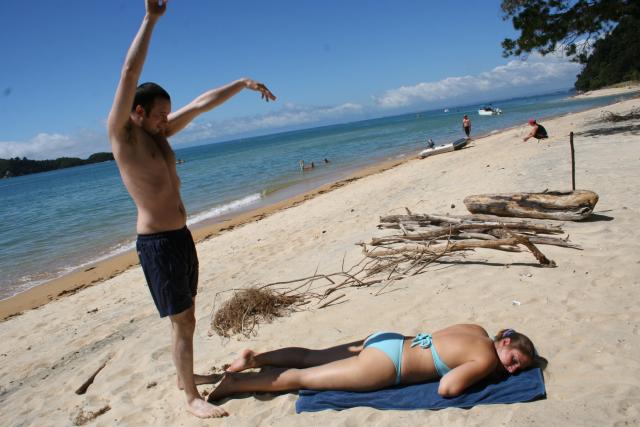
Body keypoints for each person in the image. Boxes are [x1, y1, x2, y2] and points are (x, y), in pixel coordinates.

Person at [107, 0, 276, 419]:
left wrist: (242, 83)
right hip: (157, 244)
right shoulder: (124, 137)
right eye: (161, 114)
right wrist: (150, 20)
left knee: (188, 318)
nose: (168, 120)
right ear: (139, 112)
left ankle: (185, 377)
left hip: (180, 237)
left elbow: (201, 105)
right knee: (182, 321)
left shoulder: (160, 136)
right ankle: (189, 398)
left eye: (168, 114)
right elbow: (129, 73)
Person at [207, 324, 540, 403]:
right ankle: (237, 384)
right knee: (301, 377)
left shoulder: (477, 331)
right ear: (505, 342)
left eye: (517, 370)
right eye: (513, 362)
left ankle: (257, 358)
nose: (510, 370)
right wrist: (487, 378)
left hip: (388, 339)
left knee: (311, 355)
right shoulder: (484, 359)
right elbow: (447, 388)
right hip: (387, 365)